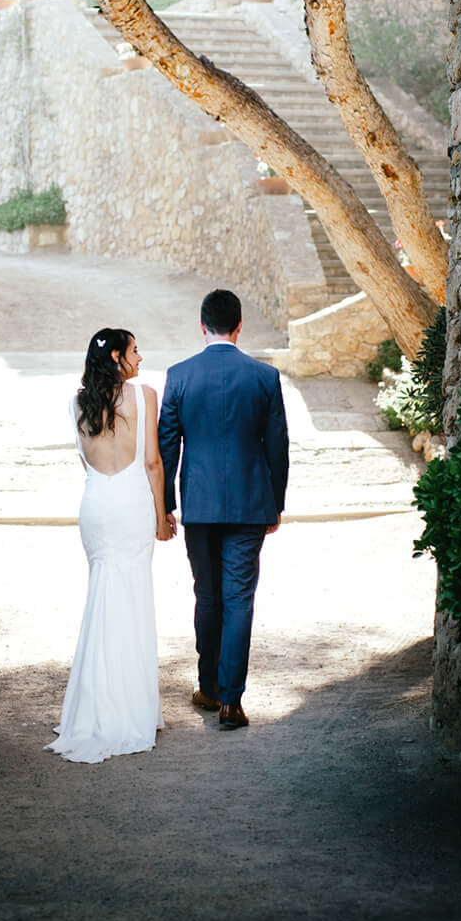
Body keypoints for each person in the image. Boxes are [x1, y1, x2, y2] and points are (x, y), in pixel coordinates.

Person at [158, 289, 290, 732]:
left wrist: (167, 506)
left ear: (202, 326)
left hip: (199, 505)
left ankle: (209, 688)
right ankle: (232, 702)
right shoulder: (264, 377)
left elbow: (167, 445)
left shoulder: (179, 376)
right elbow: (278, 447)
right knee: (239, 600)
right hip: (251, 504)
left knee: (208, 595)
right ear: (239, 327)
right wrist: (276, 504)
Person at [47, 327, 175, 764]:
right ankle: (133, 709)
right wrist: (161, 516)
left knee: (102, 597)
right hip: (133, 502)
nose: (141, 357)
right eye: (136, 350)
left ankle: (96, 706)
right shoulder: (145, 397)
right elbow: (153, 462)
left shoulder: (75, 403)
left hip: (98, 503)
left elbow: (84, 460)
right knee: (133, 599)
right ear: (119, 356)